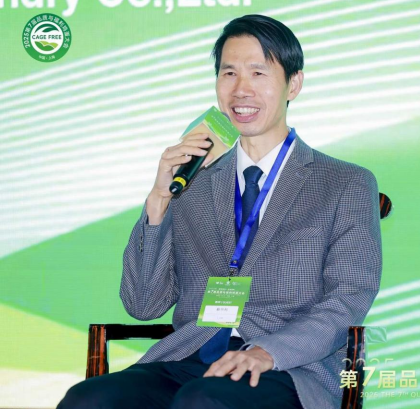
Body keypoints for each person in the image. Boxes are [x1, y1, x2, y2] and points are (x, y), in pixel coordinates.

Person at [58, 14, 382, 409]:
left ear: (293, 84)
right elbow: (143, 305)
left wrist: (267, 351)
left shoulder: (345, 183)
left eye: (258, 73)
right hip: (190, 358)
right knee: (89, 399)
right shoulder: (193, 180)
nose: (241, 89)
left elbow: (348, 298)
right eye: (229, 73)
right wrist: (159, 199)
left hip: (286, 367)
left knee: (203, 400)